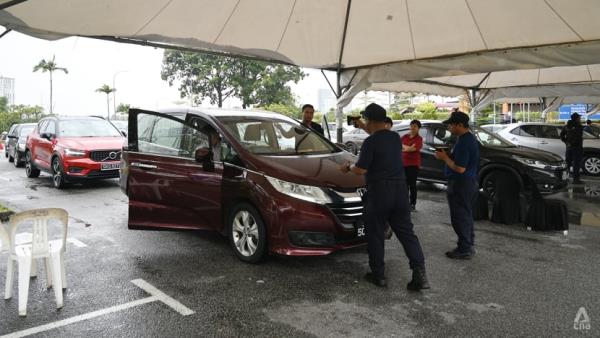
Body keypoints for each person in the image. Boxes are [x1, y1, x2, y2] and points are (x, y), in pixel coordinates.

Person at [339, 103, 429, 291]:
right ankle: (420, 272)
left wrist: (348, 167)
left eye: (365, 120)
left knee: (375, 232)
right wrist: (362, 125)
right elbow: (377, 134)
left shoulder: (370, 142)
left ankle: (378, 275)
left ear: (370, 120)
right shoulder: (395, 138)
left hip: (379, 192)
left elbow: (361, 169)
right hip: (400, 191)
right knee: (407, 233)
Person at [434, 111, 479, 260]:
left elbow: (460, 168)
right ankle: (468, 245)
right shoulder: (465, 139)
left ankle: (464, 248)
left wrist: (444, 157)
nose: (449, 128)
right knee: (465, 215)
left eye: (452, 125)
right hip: (467, 183)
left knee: (460, 217)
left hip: (461, 183)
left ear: (460, 125)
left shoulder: (465, 142)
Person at [401, 120, 423, 211]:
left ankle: (412, 204)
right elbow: (400, 146)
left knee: (412, 185)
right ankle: (404, 203)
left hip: (413, 165)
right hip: (403, 164)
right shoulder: (404, 137)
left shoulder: (419, 139)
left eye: (415, 126)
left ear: (418, 128)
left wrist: (405, 148)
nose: (413, 128)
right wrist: (407, 148)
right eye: (411, 126)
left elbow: (413, 149)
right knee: (404, 185)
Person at [560, 113, 584, 184]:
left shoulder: (566, 126)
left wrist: (567, 143)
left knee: (567, 163)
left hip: (569, 148)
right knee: (576, 164)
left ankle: (564, 179)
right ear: (576, 118)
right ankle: (576, 180)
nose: (580, 119)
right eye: (579, 118)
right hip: (577, 148)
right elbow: (578, 137)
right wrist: (571, 143)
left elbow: (561, 135)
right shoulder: (579, 126)